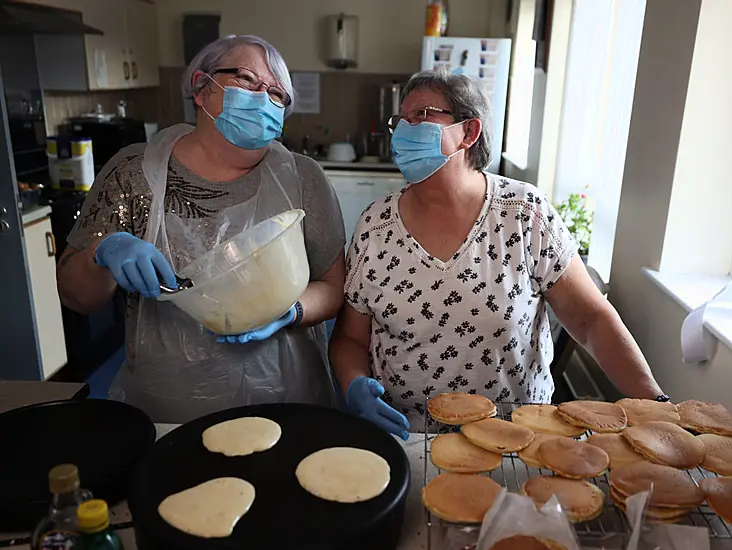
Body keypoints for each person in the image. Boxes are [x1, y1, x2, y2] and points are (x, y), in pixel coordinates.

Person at [329, 70, 666, 439]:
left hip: (518, 439)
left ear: (469, 133)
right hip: (408, 436)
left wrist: (656, 406)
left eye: (422, 115)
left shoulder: (523, 215)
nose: (405, 130)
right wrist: (354, 386)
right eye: (401, 120)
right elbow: (351, 339)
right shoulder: (375, 227)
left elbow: (590, 320)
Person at [57, 35, 346, 423]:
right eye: (247, 79)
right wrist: (104, 250)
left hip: (286, 402)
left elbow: (333, 286)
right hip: (170, 407)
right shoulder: (134, 174)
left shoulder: (303, 178)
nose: (264, 97)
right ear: (201, 87)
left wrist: (290, 311)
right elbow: (78, 297)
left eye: (277, 94)